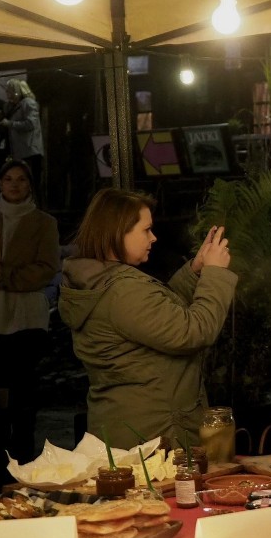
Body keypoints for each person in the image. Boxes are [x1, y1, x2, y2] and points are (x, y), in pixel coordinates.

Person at [58, 188, 237, 450]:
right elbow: (192, 332)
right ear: (118, 231)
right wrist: (215, 274)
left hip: (128, 430)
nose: (153, 238)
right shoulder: (123, 290)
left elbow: (157, 315)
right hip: (151, 438)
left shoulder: (99, 280)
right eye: (146, 230)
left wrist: (195, 271)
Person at [0, 159, 59, 477]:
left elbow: (45, 269)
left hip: (27, 319)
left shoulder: (43, 223)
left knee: (23, 396)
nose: (14, 185)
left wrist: (4, 275)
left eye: (21, 179)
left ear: (29, 184)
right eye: (8, 179)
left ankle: (22, 464)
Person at [0, 80, 44, 196]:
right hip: (19, 152)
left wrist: (10, 124)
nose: (8, 94)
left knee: (29, 183)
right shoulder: (13, 107)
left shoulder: (28, 104)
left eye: (10, 91)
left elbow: (30, 124)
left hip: (29, 151)